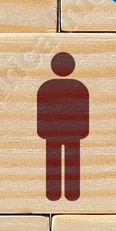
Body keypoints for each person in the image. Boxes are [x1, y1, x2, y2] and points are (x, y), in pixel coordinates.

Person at [36, 52, 89, 202]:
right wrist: (83, 132)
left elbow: (42, 111)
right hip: (72, 132)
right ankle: (72, 195)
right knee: (72, 162)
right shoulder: (79, 86)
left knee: (54, 163)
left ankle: (53, 194)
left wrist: (42, 132)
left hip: (54, 132)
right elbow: (83, 111)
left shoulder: (46, 86)